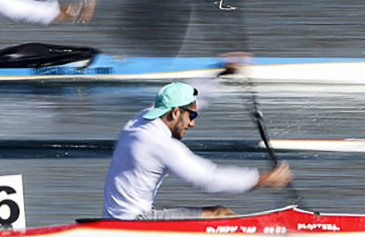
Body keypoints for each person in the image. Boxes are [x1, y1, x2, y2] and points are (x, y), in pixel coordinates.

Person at [103, 81, 293, 220]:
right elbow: (209, 179)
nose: (192, 124)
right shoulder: (161, 145)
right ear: (175, 113)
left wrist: (221, 75)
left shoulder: (138, 122)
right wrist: (264, 179)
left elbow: (189, 98)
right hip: (134, 221)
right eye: (191, 116)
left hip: (116, 215)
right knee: (221, 214)